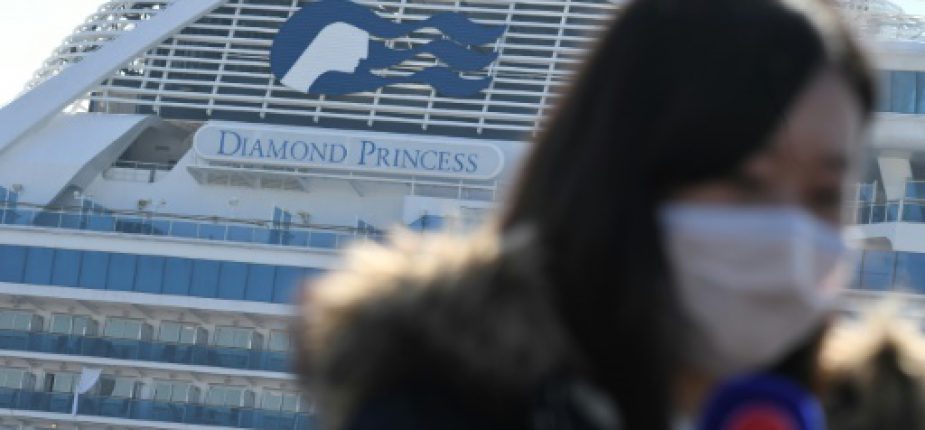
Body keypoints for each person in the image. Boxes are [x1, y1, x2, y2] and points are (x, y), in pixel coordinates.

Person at [294, 0, 875, 428]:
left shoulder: (875, 414)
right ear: (628, 173)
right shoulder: (436, 411)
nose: (788, 230)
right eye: (743, 181)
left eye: (825, 194)